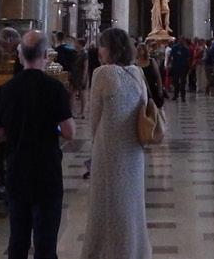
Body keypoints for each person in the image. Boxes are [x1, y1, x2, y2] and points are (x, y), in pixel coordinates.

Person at [0, 29, 74, 259]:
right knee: (45, 242)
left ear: (20, 56)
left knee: (17, 240)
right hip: (46, 171)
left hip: (17, 170)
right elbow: (69, 132)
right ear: (46, 55)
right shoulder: (55, 89)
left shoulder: (5, 90)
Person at [80, 27, 152, 259]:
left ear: (111, 48)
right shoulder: (137, 72)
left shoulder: (103, 74)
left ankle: (105, 252)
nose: (98, 50)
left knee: (106, 205)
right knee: (132, 206)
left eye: (101, 45)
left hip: (109, 148)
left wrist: (95, 144)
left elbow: (94, 118)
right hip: (134, 150)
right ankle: (134, 251)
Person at [136, 43, 165, 109]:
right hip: (141, 90)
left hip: (152, 88)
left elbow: (158, 76)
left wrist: (160, 89)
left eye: (140, 49)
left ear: (144, 50)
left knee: (154, 108)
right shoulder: (135, 64)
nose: (139, 51)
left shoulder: (151, 61)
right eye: (138, 49)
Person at [168, 36, 191, 103]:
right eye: (180, 40)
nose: (181, 41)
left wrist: (188, 67)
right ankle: (176, 95)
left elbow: (188, 59)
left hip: (183, 67)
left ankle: (183, 96)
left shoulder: (186, 49)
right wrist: (168, 64)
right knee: (175, 82)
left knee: (183, 82)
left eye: (182, 40)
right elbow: (170, 56)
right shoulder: (174, 48)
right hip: (175, 67)